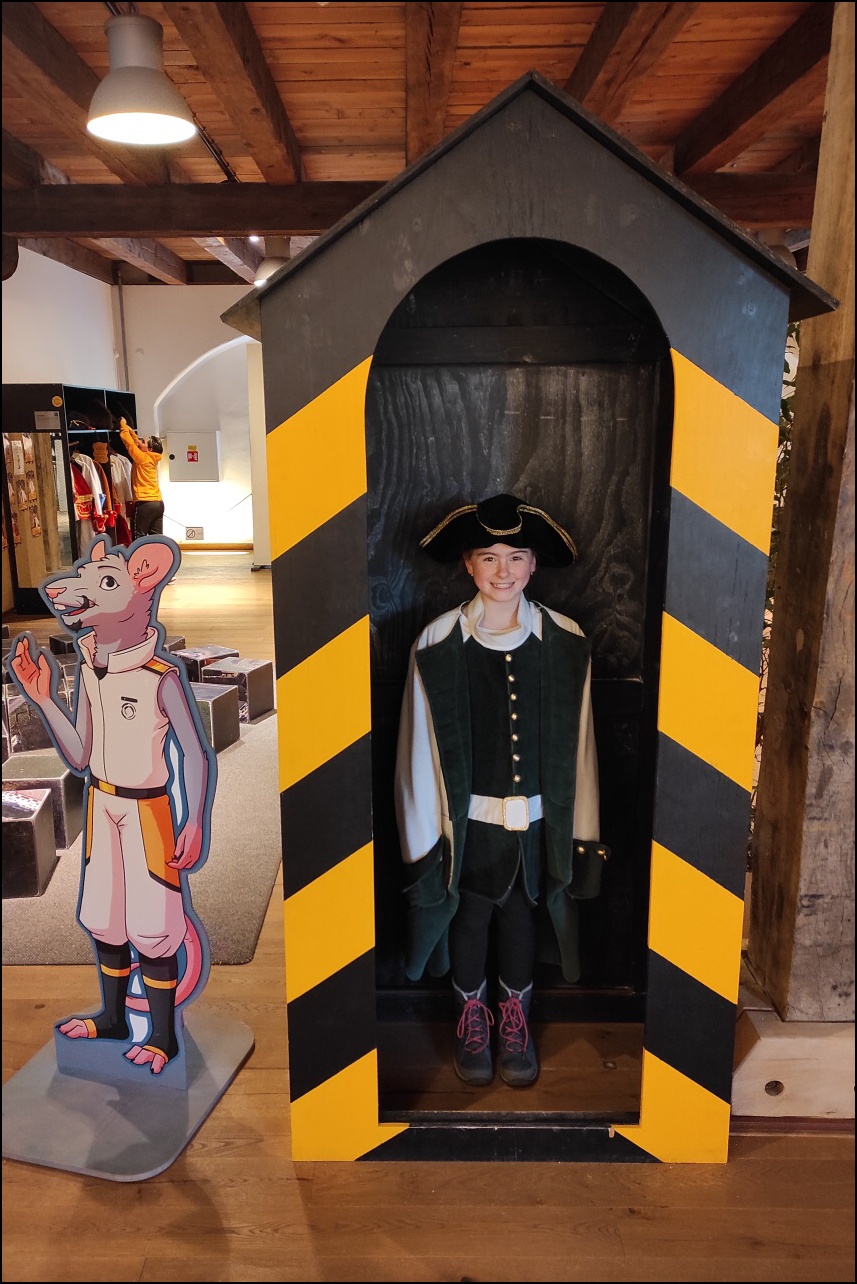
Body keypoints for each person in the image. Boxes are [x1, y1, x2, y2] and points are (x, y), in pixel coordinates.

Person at [395, 493, 608, 1088]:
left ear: (533, 566)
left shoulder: (566, 640)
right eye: (488, 557)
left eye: (516, 557)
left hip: (537, 828)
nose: (503, 570)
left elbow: (582, 749)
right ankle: (472, 1020)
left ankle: (515, 1023)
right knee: (468, 920)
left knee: (520, 919)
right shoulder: (436, 643)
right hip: (466, 831)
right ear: (469, 565)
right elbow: (416, 754)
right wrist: (423, 845)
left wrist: (584, 834)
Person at [119, 416, 165, 538]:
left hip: (145, 504)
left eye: (143, 442)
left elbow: (130, 445)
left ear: (149, 449)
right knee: (157, 538)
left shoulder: (142, 458)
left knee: (139, 538)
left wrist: (123, 427)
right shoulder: (151, 458)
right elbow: (135, 443)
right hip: (158, 503)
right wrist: (130, 431)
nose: (139, 442)